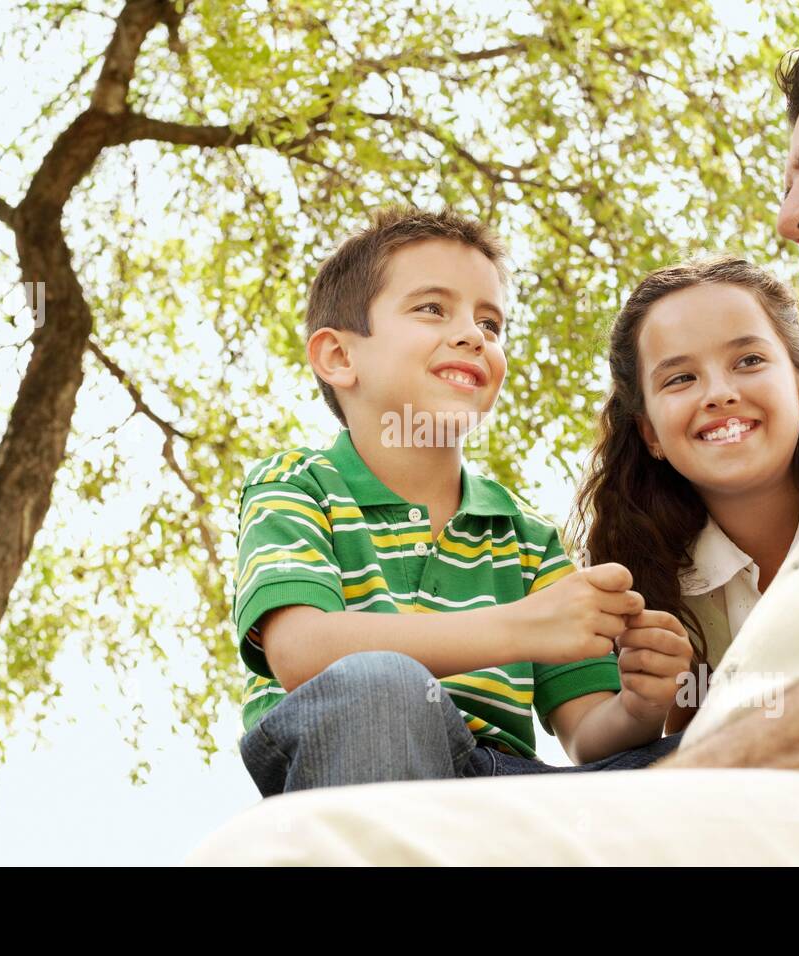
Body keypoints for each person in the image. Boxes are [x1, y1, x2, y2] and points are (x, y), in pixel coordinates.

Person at [188, 7, 799, 865]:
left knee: (298, 852)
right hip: (747, 811)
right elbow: (310, 652)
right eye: (678, 380)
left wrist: (678, 782)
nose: (789, 217)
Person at [233, 206, 681, 799]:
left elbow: (589, 735)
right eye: (431, 309)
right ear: (340, 357)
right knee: (380, 687)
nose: (474, 335)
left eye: (491, 324)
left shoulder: (525, 536)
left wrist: (643, 705)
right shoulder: (298, 483)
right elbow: (300, 652)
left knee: (727, 753)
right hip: (359, 765)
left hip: (507, 790)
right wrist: (520, 627)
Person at [567, 257, 799, 738]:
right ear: (650, 435)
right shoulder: (655, 585)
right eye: (680, 378)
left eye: (748, 361)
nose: (719, 394)